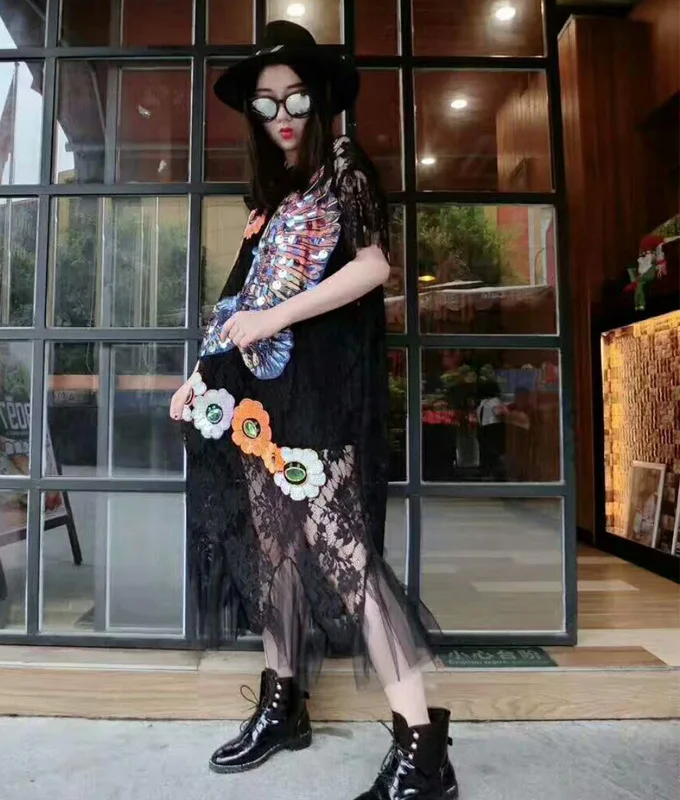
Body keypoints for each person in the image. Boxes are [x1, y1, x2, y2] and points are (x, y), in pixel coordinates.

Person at [170, 21, 458, 800]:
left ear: (320, 99)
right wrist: (198, 376)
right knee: (277, 556)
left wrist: (277, 316)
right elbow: (235, 302)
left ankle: (423, 752)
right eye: (266, 103)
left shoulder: (343, 167)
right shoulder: (269, 201)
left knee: (347, 561)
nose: (283, 114)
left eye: (295, 97)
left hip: (324, 400)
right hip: (265, 403)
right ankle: (283, 704)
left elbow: (373, 267)